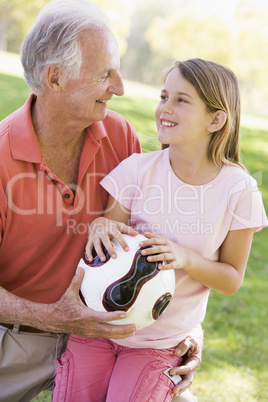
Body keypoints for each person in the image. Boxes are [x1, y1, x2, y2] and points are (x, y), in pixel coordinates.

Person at [0, 0, 202, 400]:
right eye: (105, 74)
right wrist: (54, 317)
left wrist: (184, 325)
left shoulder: (120, 136)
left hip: (116, 339)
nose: (120, 87)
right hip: (19, 337)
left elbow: (159, 239)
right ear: (55, 78)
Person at [52, 58, 268, 402]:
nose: (165, 108)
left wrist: (185, 258)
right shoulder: (137, 170)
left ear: (216, 119)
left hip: (158, 343)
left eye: (181, 100)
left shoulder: (239, 191)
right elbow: (112, 236)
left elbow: (231, 279)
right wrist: (102, 225)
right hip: (95, 326)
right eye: (163, 96)